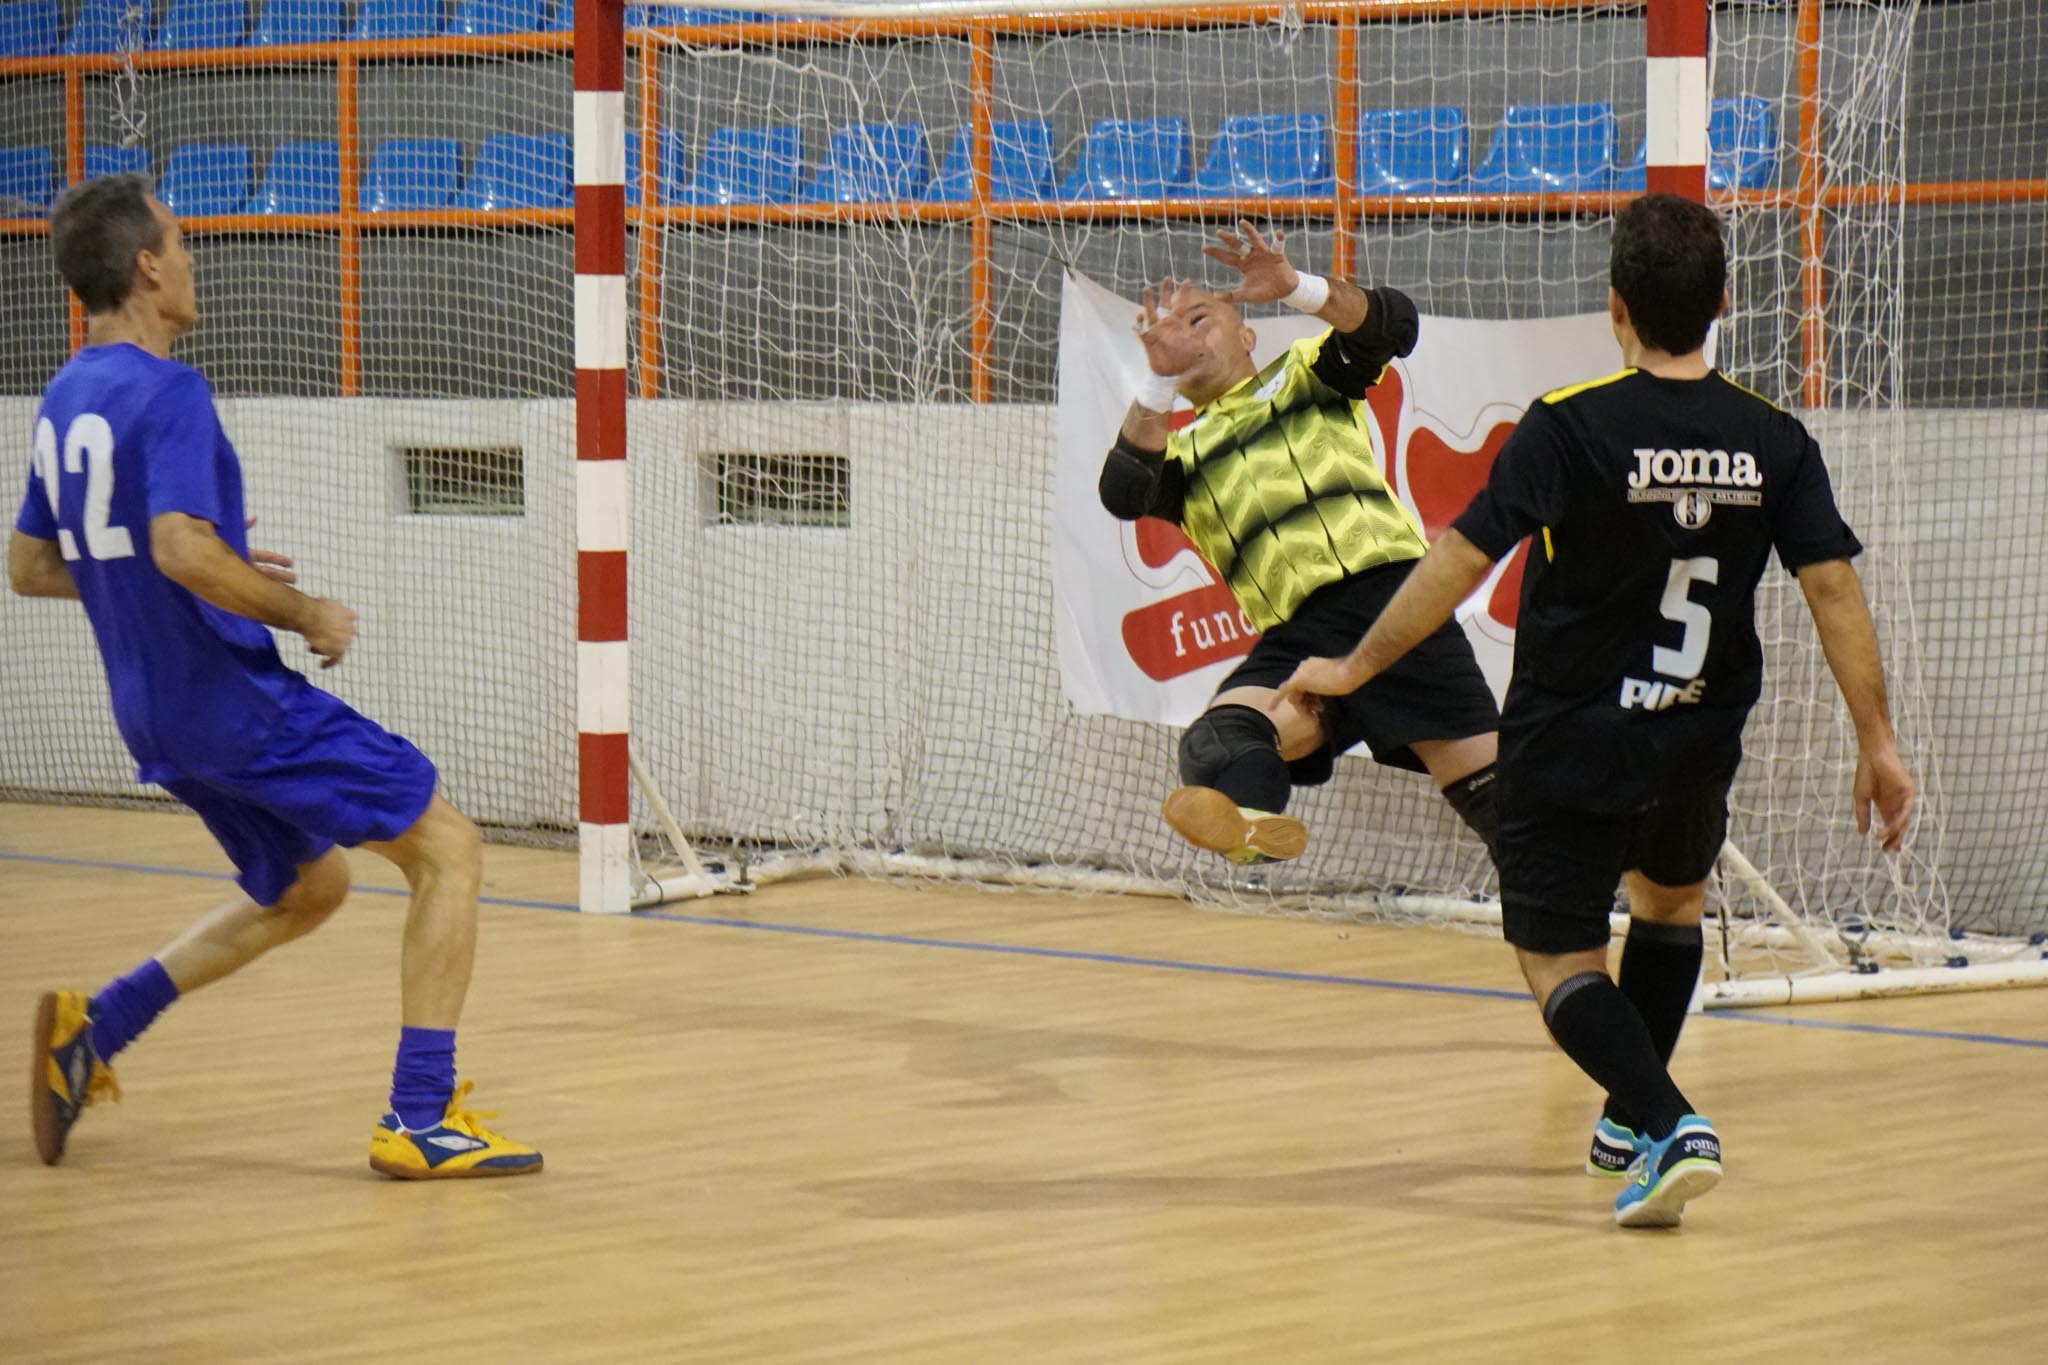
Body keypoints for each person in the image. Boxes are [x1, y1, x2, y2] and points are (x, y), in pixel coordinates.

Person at [1274, 193, 1916, 1227]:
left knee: (1554, 957)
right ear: (1716, 303)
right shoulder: (1772, 437)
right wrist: (1876, 743)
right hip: (1696, 740)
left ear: (1614, 306)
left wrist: (1352, 668)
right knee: (1668, 908)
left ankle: (1668, 1123)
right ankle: (1629, 1114)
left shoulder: (1569, 426)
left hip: (1572, 742)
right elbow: (1831, 588)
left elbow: (1454, 562)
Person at [10, 173, 542, 1180]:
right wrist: (299, 611)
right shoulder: (169, 389)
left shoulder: (68, 391)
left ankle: (92, 1033)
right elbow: (175, 547)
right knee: (448, 849)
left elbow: (34, 567)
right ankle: (419, 1121)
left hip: (155, 718)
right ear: (146, 267)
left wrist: (206, 566)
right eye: (182, 240)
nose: (194, 256)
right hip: (234, 703)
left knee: (311, 888)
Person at [1097, 222, 1502, 868]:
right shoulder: (1178, 455)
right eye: (1171, 330)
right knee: (1215, 745)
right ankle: (1256, 826)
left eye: (1200, 317)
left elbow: (1394, 324)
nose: (1184, 332)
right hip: (1301, 636)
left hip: (1399, 606)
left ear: (1247, 332)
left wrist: (1298, 287)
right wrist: (1157, 381)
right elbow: (1121, 491)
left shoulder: (1306, 374)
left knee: (1512, 817)